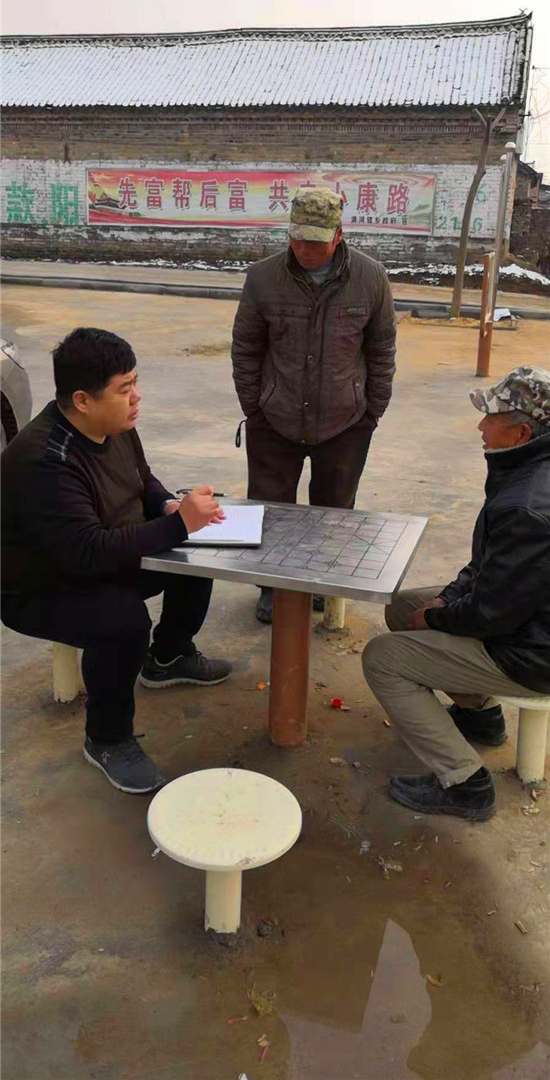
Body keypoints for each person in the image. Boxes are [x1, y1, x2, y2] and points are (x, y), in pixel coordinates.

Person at [1, 327, 232, 794]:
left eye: (135, 383)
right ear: (83, 400)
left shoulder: (115, 426)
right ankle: (106, 738)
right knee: (123, 622)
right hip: (40, 586)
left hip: (101, 554)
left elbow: (143, 479)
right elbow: (86, 553)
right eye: (125, 388)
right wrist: (177, 524)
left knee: (195, 553)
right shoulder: (45, 460)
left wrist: (169, 506)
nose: (137, 397)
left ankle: (168, 658)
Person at [362, 366, 550, 821]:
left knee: (383, 657)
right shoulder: (527, 469)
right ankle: (480, 716)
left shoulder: (526, 504)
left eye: (491, 418)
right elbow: (488, 566)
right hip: (529, 625)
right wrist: (445, 600)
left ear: (522, 432)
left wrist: (437, 617)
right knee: (403, 605)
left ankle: (466, 783)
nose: (480, 426)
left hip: (533, 652)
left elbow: (491, 614)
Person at [232, 185, 396, 623]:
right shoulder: (263, 278)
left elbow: (381, 349)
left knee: (334, 511)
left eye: (316, 242)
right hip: (275, 418)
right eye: (298, 238)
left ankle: (323, 586)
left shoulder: (371, 278)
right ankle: (273, 587)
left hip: (345, 421)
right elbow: (246, 348)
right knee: (270, 511)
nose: (305, 249)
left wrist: (372, 412)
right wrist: (255, 407)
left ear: (338, 236)